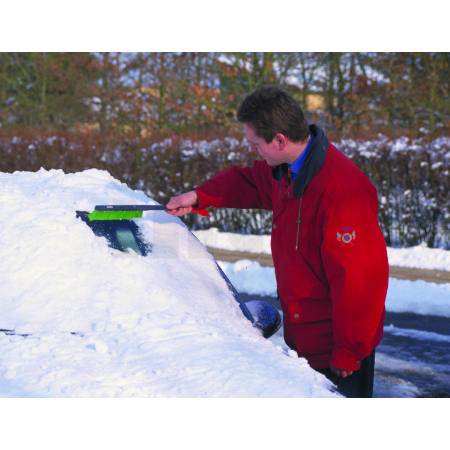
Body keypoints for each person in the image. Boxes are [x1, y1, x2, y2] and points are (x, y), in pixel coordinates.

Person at [166, 85, 389, 398]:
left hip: (337, 354)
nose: (253, 150)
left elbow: (361, 281)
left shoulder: (341, 192)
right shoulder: (287, 170)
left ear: (280, 140)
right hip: (304, 343)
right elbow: (247, 182)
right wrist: (200, 195)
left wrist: (348, 352)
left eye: (255, 143)